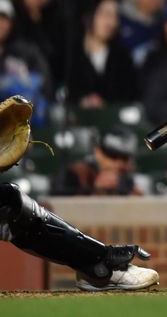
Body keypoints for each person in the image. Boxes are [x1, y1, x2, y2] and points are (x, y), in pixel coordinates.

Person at [0, 96, 158, 291]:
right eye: (112, 156)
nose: (118, 163)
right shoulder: (76, 173)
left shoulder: (127, 181)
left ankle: (97, 266)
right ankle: (99, 265)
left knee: (8, 202)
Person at [51, 125, 142, 196]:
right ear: (98, 152)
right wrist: (98, 193)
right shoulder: (73, 175)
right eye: (112, 156)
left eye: (124, 158)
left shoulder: (128, 184)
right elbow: (56, 212)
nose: (118, 163)